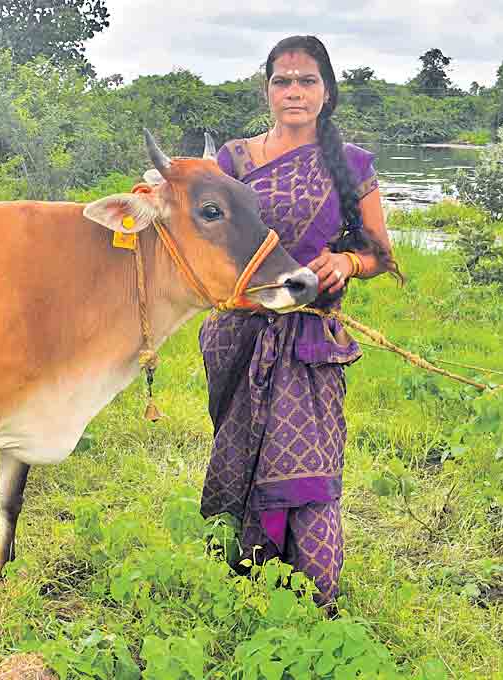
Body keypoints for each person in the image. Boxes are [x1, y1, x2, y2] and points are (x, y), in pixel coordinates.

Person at [199, 35, 402, 607]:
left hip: (310, 339)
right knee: (239, 453)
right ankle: (242, 583)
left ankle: (313, 594)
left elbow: (381, 257)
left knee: (305, 464)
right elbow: (205, 240)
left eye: (307, 80)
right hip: (238, 333)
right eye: (282, 81)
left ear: (327, 91)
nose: (294, 91)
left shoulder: (351, 165)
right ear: (267, 90)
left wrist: (345, 261)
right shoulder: (234, 161)